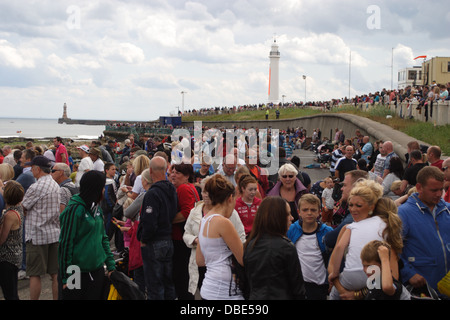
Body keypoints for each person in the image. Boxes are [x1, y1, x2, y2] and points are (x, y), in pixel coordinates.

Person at [328, 180, 403, 300]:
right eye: (350, 205)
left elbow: (336, 253)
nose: (353, 209)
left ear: (371, 207)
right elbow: (392, 278)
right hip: (373, 282)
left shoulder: (351, 227)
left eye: (358, 205)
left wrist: (344, 289)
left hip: (352, 282)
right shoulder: (386, 227)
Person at [183, 176, 245, 297]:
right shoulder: (223, 222)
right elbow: (242, 259)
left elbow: (200, 260)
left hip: (209, 286)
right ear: (230, 198)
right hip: (226, 289)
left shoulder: (204, 220)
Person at [58, 170, 116, 300]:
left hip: (97, 271)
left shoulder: (97, 209)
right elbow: (66, 244)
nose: (104, 191)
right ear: (95, 189)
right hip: (76, 272)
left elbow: (103, 238)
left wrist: (111, 265)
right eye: (102, 187)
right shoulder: (74, 210)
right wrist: (66, 278)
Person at [398, 166, 450, 298]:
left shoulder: (447, 209)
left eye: (441, 189)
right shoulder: (404, 213)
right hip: (422, 288)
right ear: (419, 187)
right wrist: (408, 273)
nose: (439, 194)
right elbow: (391, 249)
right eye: (434, 190)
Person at [244, 196, 306, 300]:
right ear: (277, 217)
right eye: (287, 214)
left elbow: (246, 284)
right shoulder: (286, 247)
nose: (292, 218)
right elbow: (298, 289)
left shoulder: (249, 245)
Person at [137, 156, 178, 300]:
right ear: (166, 169)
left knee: (155, 286)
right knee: (168, 283)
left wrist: (144, 239)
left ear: (150, 170)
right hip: (168, 239)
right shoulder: (171, 189)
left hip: (154, 242)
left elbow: (149, 221)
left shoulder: (152, 193)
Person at [21, 155, 60, 300]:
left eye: (32, 168)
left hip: (37, 235)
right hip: (54, 233)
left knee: (35, 274)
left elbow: (23, 206)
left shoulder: (36, 186)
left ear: (38, 169)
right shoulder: (55, 185)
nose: (31, 170)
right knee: (55, 273)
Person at [287, 194, 333, 300]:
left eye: (313, 210)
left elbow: (334, 258)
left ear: (319, 212)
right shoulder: (291, 230)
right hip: (298, 284)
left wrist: (332, 279)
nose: (309, 213)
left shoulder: (327, 232)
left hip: (320, 284)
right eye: (305, 210)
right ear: (299, 212)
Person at [170, 163, 199, 300]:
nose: (173, 175)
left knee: (181, 277)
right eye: (172, 172)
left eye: (178, 173)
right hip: (187, 239)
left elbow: (187, 213)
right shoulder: (191, 187)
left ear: (187, 176)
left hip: (181, 239)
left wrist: (167, 221)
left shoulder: (183, 188)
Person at [0, 181, 25, 300]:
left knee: (10, 293)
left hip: (7, 258)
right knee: (12, 291)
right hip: (16, 255)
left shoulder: (9, 215)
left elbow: (2, 238)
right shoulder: (19, 208)